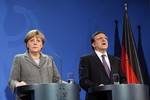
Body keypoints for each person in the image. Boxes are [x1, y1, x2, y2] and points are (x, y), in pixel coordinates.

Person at [8, 29, 62, 100]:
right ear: (27, 44)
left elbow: (57, 79)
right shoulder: (19, 58)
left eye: (38, 41)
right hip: (27, 98)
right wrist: (17, 84)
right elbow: (12, 81)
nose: (35, 43)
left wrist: (68, 85)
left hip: (47, 97)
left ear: (42, 45)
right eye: (31, 40)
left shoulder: (49, 59)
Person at [79, 31, 127, 100]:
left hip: (115, 97)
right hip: (96, 97)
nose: (104, 40)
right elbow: (84, 81)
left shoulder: (115, 59)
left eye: (105, 38)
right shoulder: (86, 59)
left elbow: (122, 78)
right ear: (93, 44)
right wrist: (98, 87)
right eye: (100, 38)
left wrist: (123, 87)